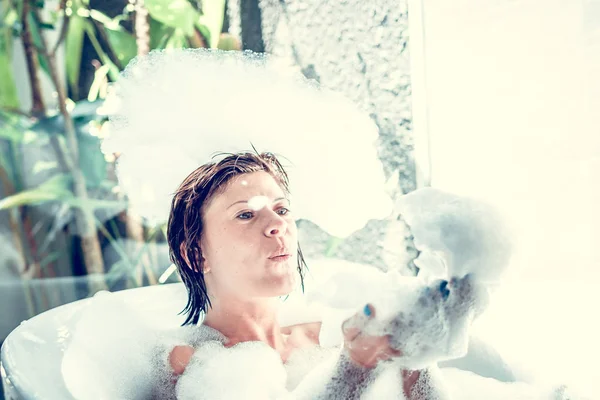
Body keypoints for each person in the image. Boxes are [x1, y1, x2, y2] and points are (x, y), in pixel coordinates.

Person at [162, 151, 437, 399]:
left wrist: (419, 359)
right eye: (246, 214)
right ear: (197, 256)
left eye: (281, 210)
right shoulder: (189, 367)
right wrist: (354, 369)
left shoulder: (331, 339)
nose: (278, 224)